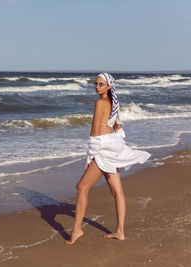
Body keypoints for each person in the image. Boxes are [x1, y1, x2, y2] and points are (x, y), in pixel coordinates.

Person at [65, 72, 150, 245]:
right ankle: (120, 231)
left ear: (109, 86)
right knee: (117, 192)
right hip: (111, 148)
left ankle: (77, 230)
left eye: (100, 84)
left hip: (102, 150)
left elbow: (95, 131)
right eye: (95, 84)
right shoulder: (114, 104)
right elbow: (117, 128)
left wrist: (90, 156)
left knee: (81, 187)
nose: (97, 87)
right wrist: (116, 145)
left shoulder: (100, 103)